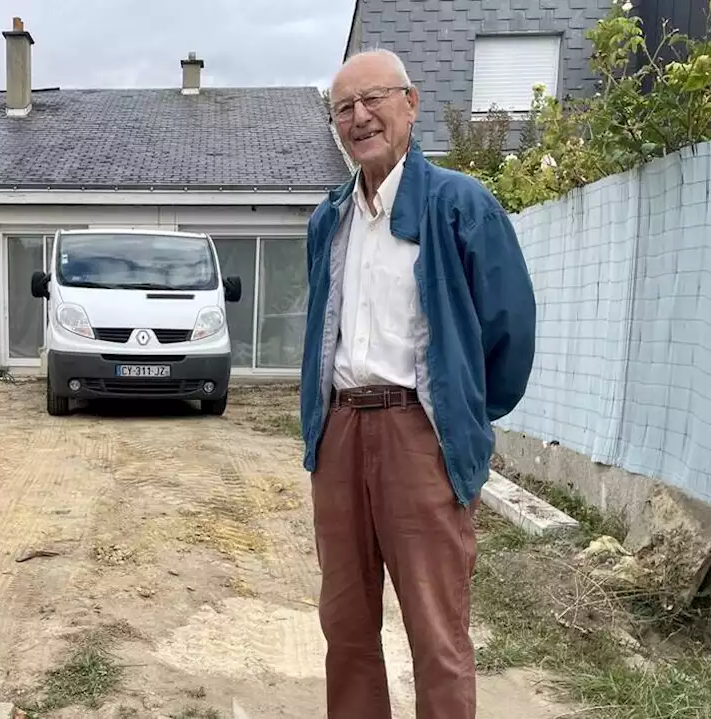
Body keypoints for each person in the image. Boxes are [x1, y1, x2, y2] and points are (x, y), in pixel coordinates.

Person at [298, 50, 536, 718]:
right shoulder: (330, 218)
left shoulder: (460, 204)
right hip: (340, 432)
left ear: (412, 101)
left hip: (420, 434)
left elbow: (508, 331)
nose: (360, 117)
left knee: (437, 634)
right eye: (344, 107)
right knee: (344, 626)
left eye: (373, 98)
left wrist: (459, 415)